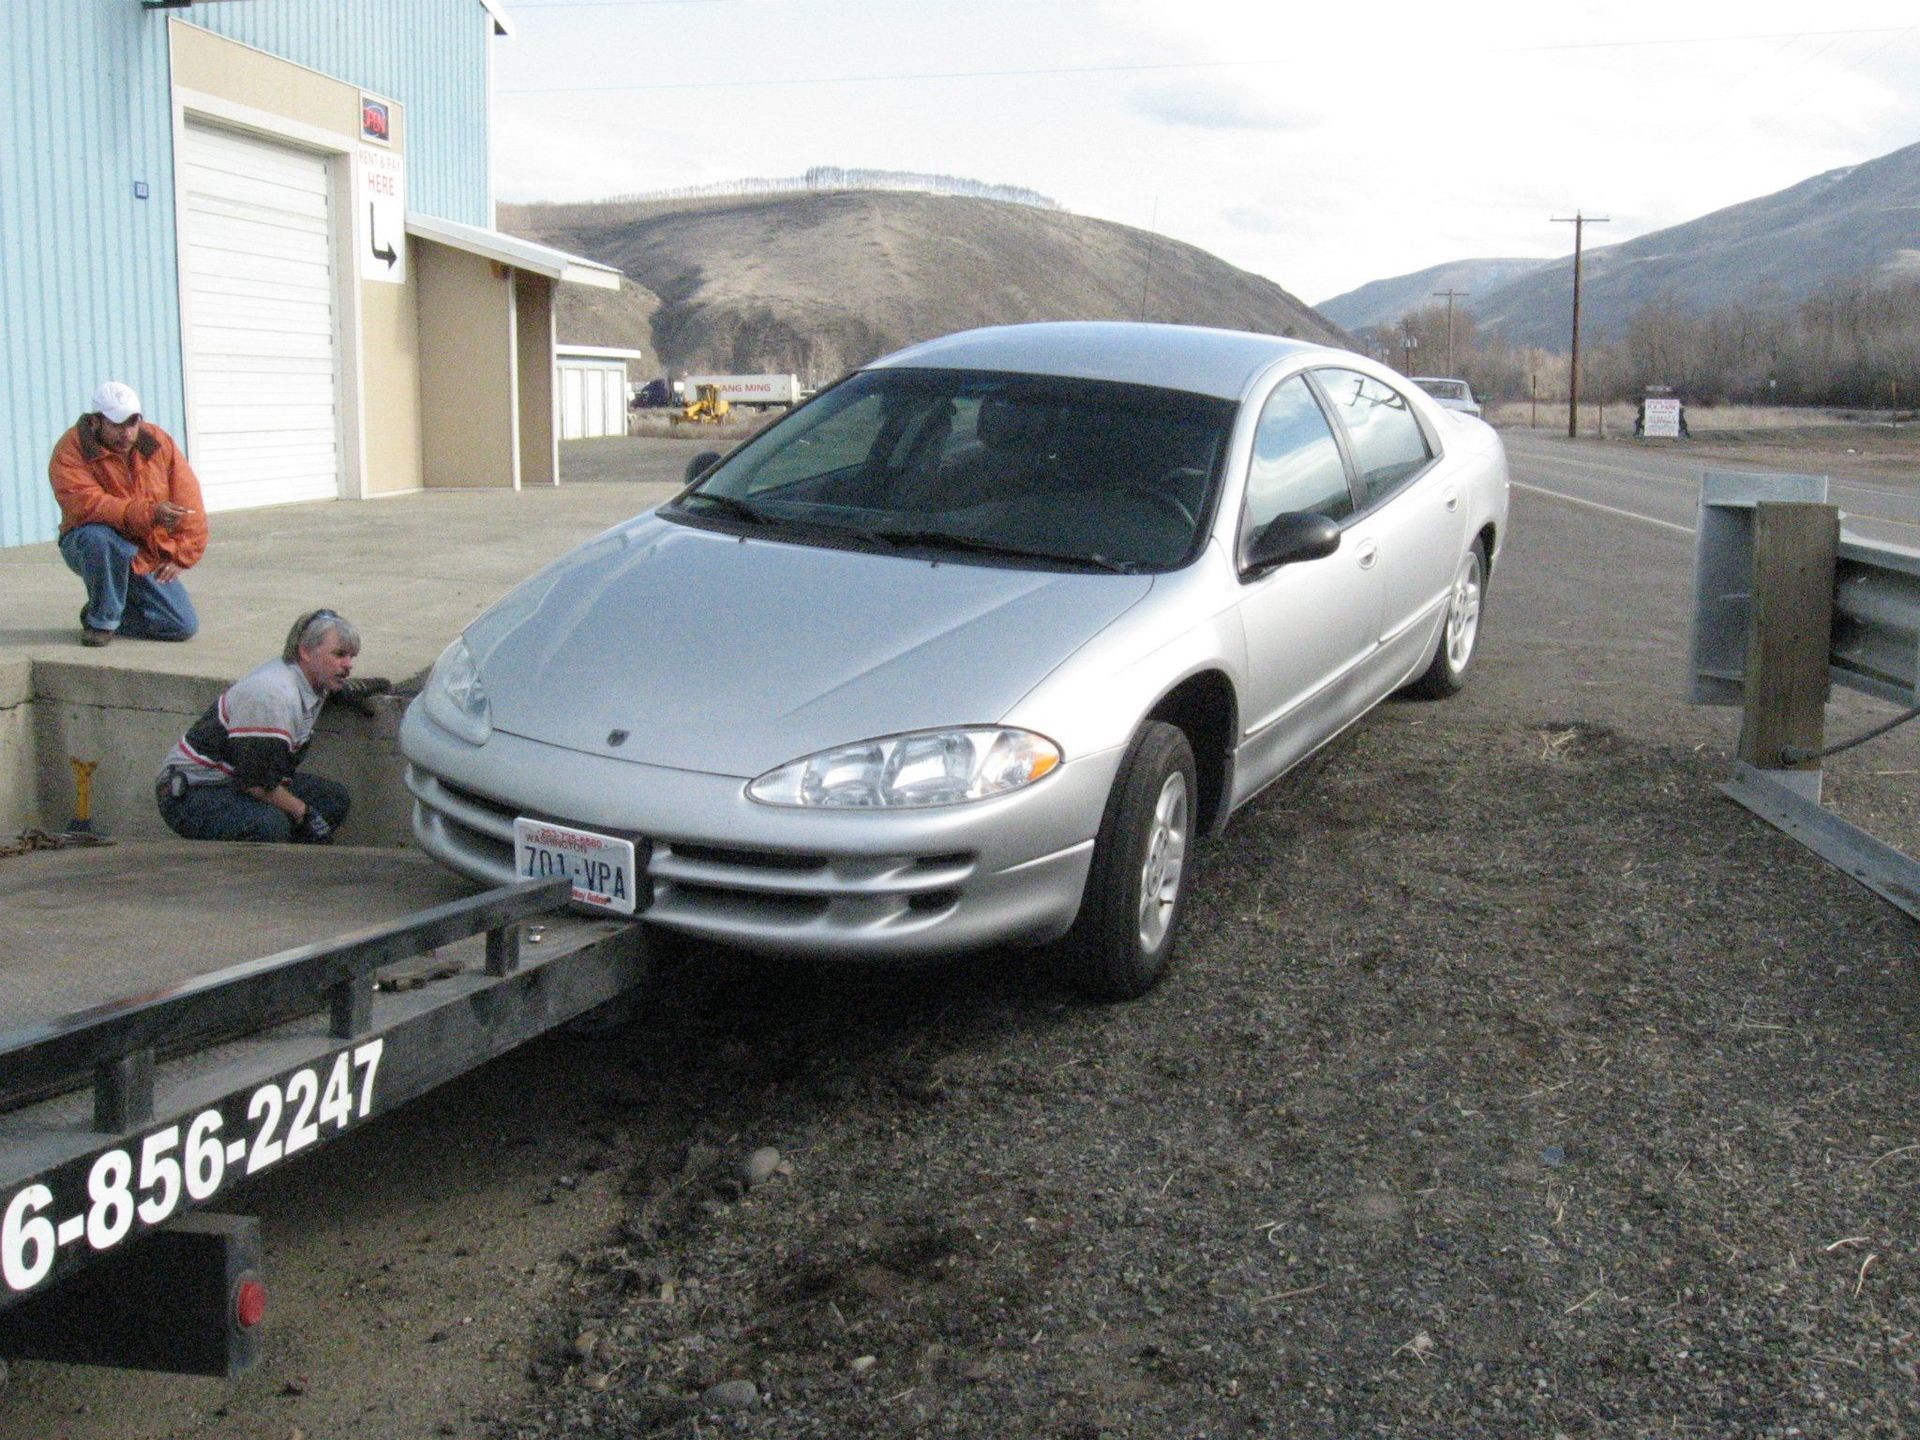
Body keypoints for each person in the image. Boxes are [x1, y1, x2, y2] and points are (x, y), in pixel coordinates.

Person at [155, 610, 389, 844]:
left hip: (239, 781)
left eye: (351, 656)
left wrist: (359, 690)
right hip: (195, 792)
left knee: (333, 800)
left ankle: (292, 867)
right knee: (269, 824)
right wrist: (304, 813)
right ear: (305, 651)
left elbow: (335, 691)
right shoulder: (270, 696)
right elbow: (255, 783)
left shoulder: (311, 678)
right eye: (339, 655)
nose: (348, 665)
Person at [48, 381, 209, 647]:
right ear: (96, 422)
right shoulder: (70, 450)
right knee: (97, 536)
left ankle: (102, 611)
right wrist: (149, 513)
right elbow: (87, 505)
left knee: (182, 625)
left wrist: (183, 554)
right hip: (89, 545)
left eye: (133, 423)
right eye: (117, 425)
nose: (127, 433)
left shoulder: (157, 442)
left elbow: (188, 498)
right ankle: (102, 621)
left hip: (143, 549)